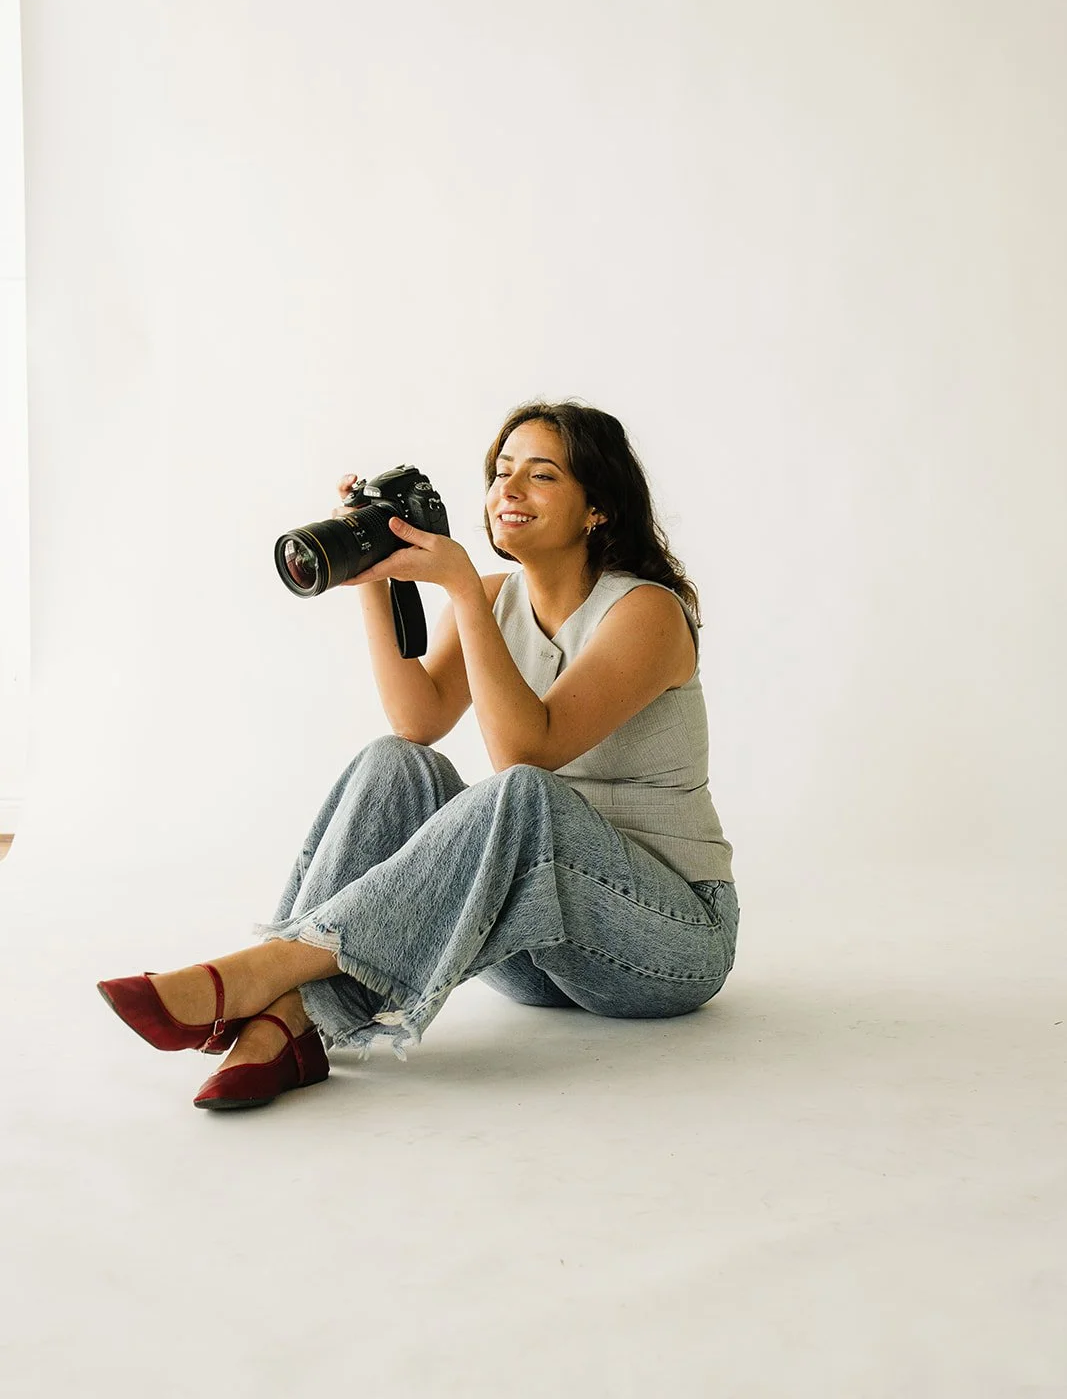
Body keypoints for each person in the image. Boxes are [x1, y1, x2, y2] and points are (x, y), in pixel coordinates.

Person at [97, 400, 739, 1111]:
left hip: (664, 944)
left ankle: (261, 977)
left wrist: (462, 589)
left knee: (521, 791)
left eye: (542, 475)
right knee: (394, 762)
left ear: (598, 509)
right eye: (501, 473)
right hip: (531, 948)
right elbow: (416, 721)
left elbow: (531, 750)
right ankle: (286, 1026)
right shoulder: (496, 598)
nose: (509, 491)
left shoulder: (645, 611)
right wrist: (373, 578)